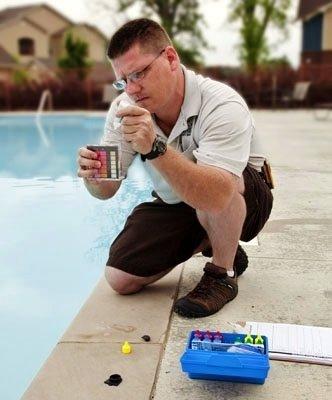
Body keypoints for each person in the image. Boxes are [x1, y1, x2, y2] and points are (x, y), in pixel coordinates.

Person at [77, 18, 273, 318]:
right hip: (181, 200)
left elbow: (219, 195)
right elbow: (106, 189)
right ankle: (212, 238)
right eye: (123, 80)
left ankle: (223, 272)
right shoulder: (122, 109)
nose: (132, 88)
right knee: (120, 278)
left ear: (170, 58)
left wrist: (155, 147)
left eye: (139, 73)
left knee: (217, 189)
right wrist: (93, 176)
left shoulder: (221, 104)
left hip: (243, 197)